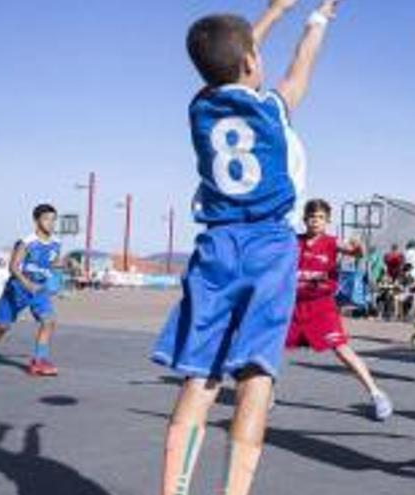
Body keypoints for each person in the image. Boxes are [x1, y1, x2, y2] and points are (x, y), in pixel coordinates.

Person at [148, 2, 341, 495]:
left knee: (200, 376)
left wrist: (270, 14)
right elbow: (301, 64)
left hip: (216, 245)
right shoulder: (273, 109)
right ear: (254, 62)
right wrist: (317, 17)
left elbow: (224, 61)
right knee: (256, 374)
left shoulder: (200, 108)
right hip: (269, 246)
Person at [284, 199, 393, 420]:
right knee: (269, 348)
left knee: (342, 350)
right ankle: (264, 394)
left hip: (322, 307)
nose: (316, 221)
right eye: (312, 217)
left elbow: (355, 251)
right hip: (294, 308)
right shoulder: (293, 242)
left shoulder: (333, 242)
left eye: (321, 217)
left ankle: (376, 394)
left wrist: (359, 248)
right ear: (305, 220)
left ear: (327, 221)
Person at [0, 204, 62, 377]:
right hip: (17, 288)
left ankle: (39, 361)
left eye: (53, 219)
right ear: (36, 221)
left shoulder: (56, 243)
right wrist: (26, 283)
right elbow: (13, 267)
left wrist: (62, 265)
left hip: (39, 289)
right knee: (2, 326)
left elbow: (51, 261)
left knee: (49, 321)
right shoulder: (26, 242)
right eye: (46, 219)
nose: (50, 223)